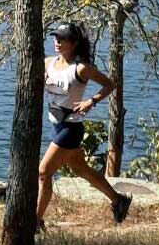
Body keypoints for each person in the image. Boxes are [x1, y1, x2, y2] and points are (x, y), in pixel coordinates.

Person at [37, 20, 131, 233]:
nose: (57, 42)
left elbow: (109, 84)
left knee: (43, 172)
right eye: (55, 38)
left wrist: (91, 101)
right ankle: (118, 201)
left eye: (62, 39)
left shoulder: (81, 68)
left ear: (74, 42)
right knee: (82, 169)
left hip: (71, 127)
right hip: (56, 124)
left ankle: (36, 221)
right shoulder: (48, 63)